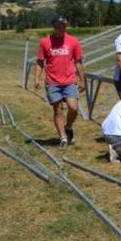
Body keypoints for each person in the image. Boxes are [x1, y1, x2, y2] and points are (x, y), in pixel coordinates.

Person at [34, 15, 86, 148]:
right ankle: (63, 138)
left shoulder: (73, 42)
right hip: (52, 81)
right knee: (58, 110)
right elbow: (40, 62)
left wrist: (82, 80)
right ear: (54, 26)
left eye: (64, 25)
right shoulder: (45, 42)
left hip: (69, 81)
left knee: (73, 108)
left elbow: (78, 62)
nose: (61, 27)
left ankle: (68, 126)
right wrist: (37, 79)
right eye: (59, 25)